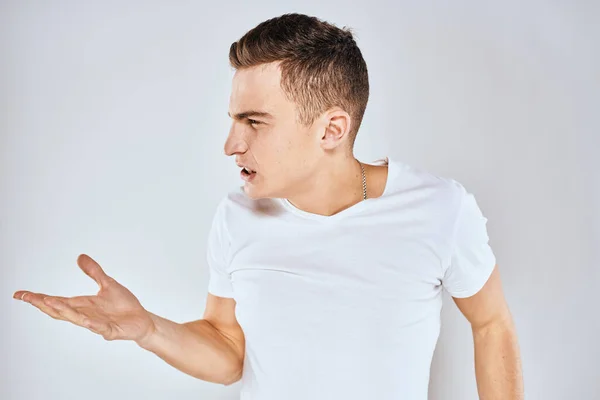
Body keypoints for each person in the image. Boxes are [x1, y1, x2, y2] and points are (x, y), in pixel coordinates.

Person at [13, 12, 524, 400]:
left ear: (331, 129)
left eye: (254, 121)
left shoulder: (439, 209)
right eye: (234, 119)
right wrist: (148, 328)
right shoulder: (238, 217)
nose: (231, 144)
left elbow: (491, 323)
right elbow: (227, 347)